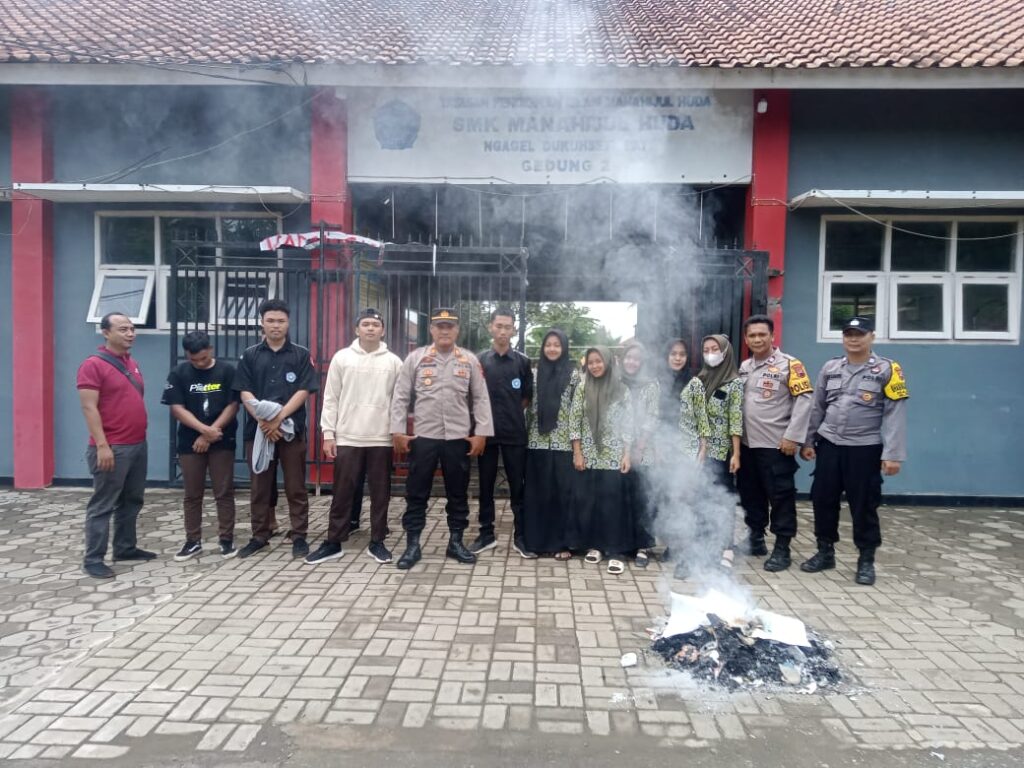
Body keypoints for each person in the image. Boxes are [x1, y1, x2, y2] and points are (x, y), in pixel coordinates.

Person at [800, 316, 908, 586]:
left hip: (864, 448)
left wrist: (893, 454)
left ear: (872, 335)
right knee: (823, 499)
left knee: (864, 506)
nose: (853, 339)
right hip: (829, 445)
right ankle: (825, 552)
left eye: (859, 333)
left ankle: (866, 560)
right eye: (848, 334)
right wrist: (808, 440)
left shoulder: (887, 369)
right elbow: (817, 406)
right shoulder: (831, 367)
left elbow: (895, 414)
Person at [390, 308, 494, 570]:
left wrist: (481, 433)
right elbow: (401, 396)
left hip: (458, 438)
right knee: (416, 493)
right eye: (440, 326)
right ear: (432, 330)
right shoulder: (415, 358)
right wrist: (398, 431)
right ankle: (412, 545)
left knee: (458, 493)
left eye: (450, 326)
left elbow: (481, 399)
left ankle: (456, 542)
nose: (445, 331)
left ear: (457, 330)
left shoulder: (469, 360)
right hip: (424, 437)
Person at [307, 308, 403, 565]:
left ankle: (378, 540)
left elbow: (400, 402)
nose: (370, 328)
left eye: (375, 324)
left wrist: (397, 431)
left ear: (382, 330)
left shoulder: (394, 362)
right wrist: (329, 434)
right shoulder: (342, 358)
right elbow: (330, 398)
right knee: (342, 492)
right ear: (356, 329)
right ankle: (334, 541)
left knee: (381, 493)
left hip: (381, 437)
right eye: (365, 324)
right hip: (348, 436)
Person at [233, 298, 318, 559]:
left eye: (280, 321)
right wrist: (263, 421)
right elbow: (244, 391)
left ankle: (299, 535)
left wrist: (277, 419)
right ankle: (260, 534)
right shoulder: (250, 355)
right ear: (261, 322)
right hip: (258, 431)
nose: (276, 326)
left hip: (291, 431)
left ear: (288, 323)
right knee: (260, 485)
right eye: (270, 320)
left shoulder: (301, 355)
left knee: (295, 486)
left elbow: (304, 390)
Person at [76, 312, 155, 578]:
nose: (130, 333)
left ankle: (125, 547)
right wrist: (102, 445)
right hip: (112, 448)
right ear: (106, 332)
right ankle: (94, 558)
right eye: (123, 329)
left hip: (136, 444)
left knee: (132, 500)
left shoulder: (131, 362)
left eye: (132, 329)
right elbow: (89, 407)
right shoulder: (93, 365)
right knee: (103, 504)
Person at [736, 314, 814, 572]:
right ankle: (756, 538)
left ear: (772, 336)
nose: (757, 339)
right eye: (752, 335)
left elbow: (804, 400)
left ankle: (782, 548)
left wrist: (793, 436)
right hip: (748, 445)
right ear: (746, 339)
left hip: (776, 446)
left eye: (762, 334)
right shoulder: (745, 367)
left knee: (780, 497)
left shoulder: (790, 365)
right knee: (751, 495)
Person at [162, 330, 240, 561]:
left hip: (222, 440)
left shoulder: (226, 371)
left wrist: (210, 433)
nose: (199, 363)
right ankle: (192, 541)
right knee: (192, 494)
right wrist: (202, 431)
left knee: (223, 491)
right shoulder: (179, 373)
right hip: (190, 443)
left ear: (211, 350)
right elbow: (176, 408)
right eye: (194, 359)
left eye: (203, 358)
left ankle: (226, 539)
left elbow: (233, 405)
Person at [471, 307, 534, 558]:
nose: (503, 331)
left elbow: (526, 397)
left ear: (514, 330)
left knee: (518, 487)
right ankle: (486, 534)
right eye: (499, 326)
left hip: (514, 434)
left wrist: (510, 414)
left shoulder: (522, 362)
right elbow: (473, 396)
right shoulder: (479, 361)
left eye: (508, 327)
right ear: (490, 327)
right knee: (485, 486)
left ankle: (521, 536)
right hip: (485, 435)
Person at [569, 346, 637, 576]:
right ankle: (596, 545)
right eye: (591, 362)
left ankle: (615, 551)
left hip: (613, 456)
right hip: (589, 455)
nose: (595, 366)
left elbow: (629, 424)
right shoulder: (582, 388)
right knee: (592, 504)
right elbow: (574, 421)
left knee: (613, 505)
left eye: (599, 361)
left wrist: (627, 453)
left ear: (608, 362)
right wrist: (577, 452)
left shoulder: (622, 390)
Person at [680, 334, 742, 571]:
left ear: (725, 351)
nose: (710, 353)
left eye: (715, 349)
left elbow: (735, 418)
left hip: (721, 451)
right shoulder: (699, 380)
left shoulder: (734, 383)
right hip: (695, 451)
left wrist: (736, 453)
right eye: (706, 349)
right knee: (697, 499)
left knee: (723, 500)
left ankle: (726, 548)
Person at [521, 329, 581, 559]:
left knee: (561, 495)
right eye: (549, 345)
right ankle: (536, 542)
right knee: (537, 495)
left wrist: (577, 447)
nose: (553, 348)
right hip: (536, 443)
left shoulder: (574, 376)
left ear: (564, 348)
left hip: (564, 444)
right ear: (543, 348)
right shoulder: (534, 374)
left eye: (557, 344)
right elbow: (525, 404)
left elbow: (577, 411)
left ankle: (562, 544)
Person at [619, 339, 658, 567]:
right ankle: (626, 542)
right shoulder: (617, 382)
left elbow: (653, 417)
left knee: (643, 496)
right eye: (629, 357)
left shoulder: (651, 384)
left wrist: (639, 447)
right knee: (624, 496)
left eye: (636, 358)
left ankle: (643, 546)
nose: (632, 362)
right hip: (620, 448)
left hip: (643, 449)